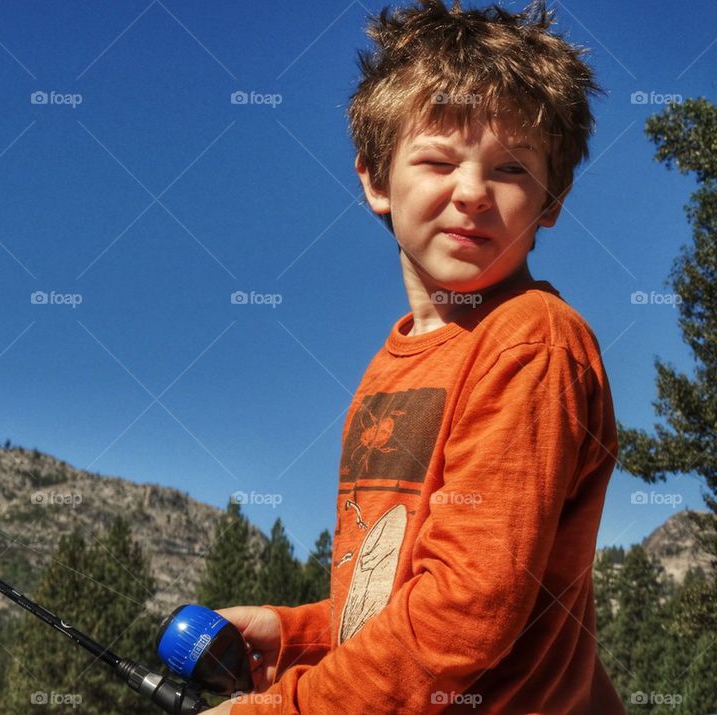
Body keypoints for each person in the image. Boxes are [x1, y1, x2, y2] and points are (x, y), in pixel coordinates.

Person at [204, 1, 626, 712]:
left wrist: (290, 707)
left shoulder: (532, 342)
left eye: (512, 168)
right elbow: (398, 591)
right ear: (374, 180)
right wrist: (299, 635)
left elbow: (466, 610)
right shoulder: (390, 364)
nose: (472, 194)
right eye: (437, 160)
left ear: (551, 199)